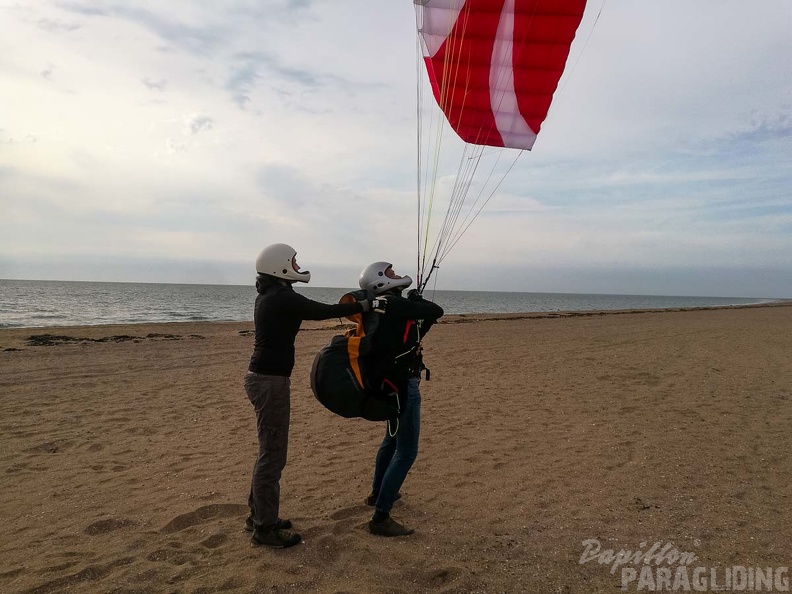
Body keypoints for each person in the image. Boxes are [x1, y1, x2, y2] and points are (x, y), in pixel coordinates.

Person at [245, 243, 374, 549]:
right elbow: (321, 312)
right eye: (293, 261)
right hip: (270, 382)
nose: (298, 265)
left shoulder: (269, 295)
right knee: (273, 455)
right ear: (280, 266)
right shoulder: (281, 298)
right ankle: (264, 527)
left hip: (263, 379)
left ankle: (258, 516)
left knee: (268, 451)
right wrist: (362, 307)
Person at [357, 261, 444, 537]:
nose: (397, 275)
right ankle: (380, 517)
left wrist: (416, 306)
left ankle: (377, 493)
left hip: (389, 385)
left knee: (391, 440)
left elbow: (415, 333)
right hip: (403, 385)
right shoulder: (396, 305)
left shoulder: (380, 307)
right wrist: (417, 301)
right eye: (391, 273)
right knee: (406, 451)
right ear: (381, 279)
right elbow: (437, 311)